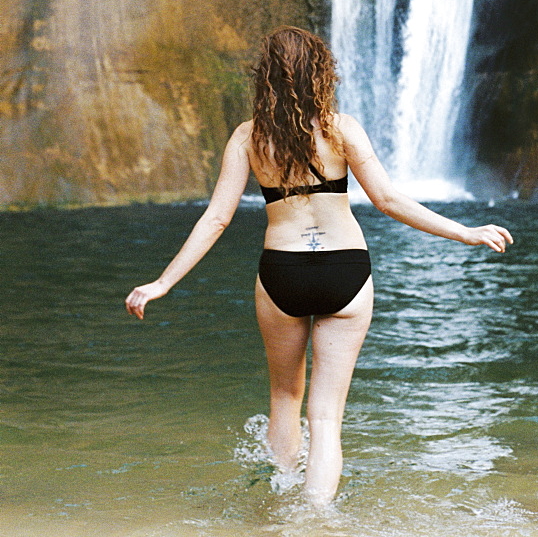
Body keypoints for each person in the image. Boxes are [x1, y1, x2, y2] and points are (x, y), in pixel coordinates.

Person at [125, 26, 513, 505]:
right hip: (345, 272)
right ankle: (315, 517)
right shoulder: (341, 128)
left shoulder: (249, 138)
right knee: (326, 416)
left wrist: (163, 282)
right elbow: (388, 200)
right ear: (320, 74)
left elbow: (218, 218)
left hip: (281, 273)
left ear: (264, 78)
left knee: (284, 399)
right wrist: (466, 231)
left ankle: (278, 501)